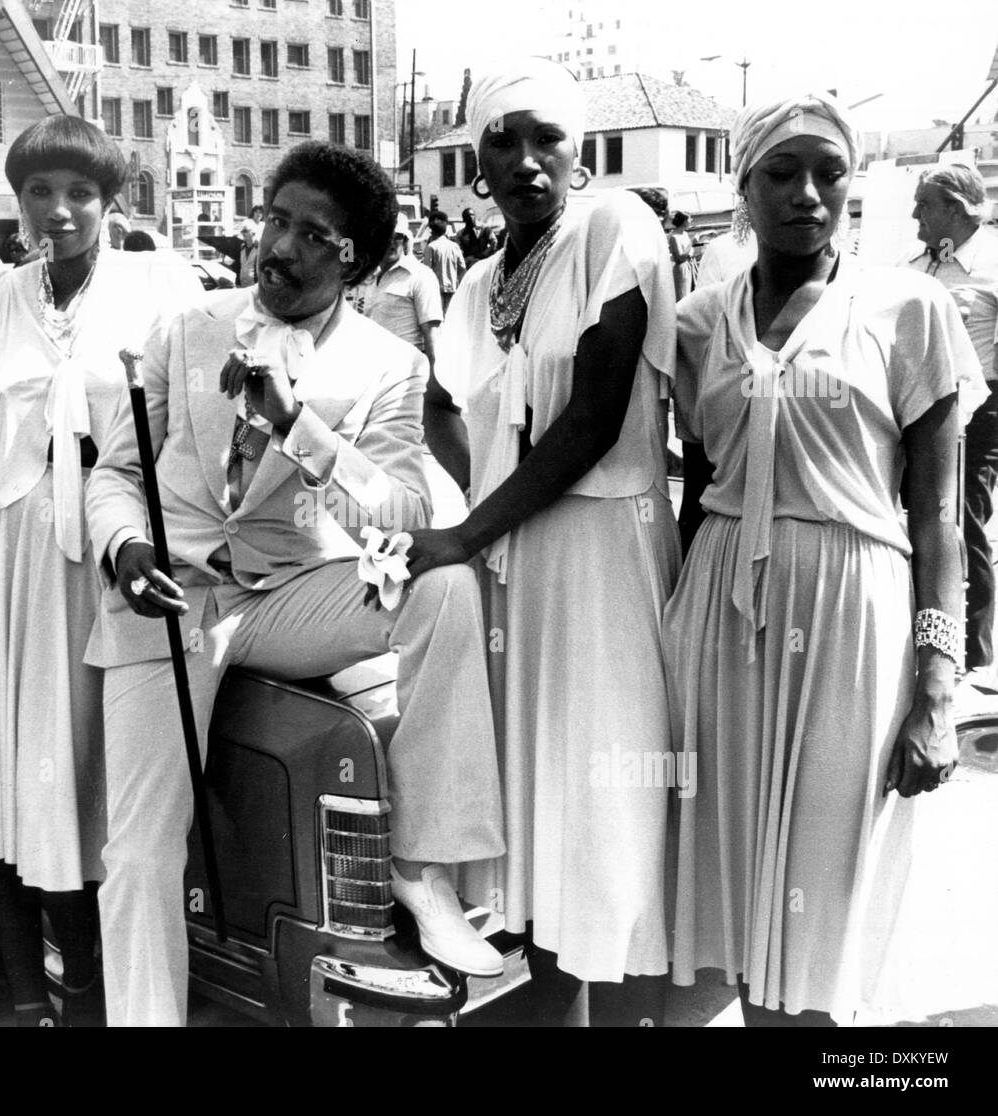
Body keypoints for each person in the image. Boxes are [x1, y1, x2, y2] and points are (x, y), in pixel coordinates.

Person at [85, 140, 507, 1026]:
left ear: (354, 260)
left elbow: (393, 513)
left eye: (312, 235)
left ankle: (423, 865)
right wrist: (127, 549)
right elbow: (116, 473)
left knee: (446, 586)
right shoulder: (188, 326)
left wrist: (296, 424)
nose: (279, 247)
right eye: (275, 220)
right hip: (174, 601)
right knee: (139, 850)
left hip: (286, 598)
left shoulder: (391, 364)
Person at [665, 93, 983, 1025]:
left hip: (854, 621)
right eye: (781, 173)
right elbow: (691, 491)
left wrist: (937, 685)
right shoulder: (694, 323)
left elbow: (938, 519)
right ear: (744, 187)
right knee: (725, 893)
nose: (808, 194)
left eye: (830, 173)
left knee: (825, 899)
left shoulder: (910, 308)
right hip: (721, 619)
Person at [0, 114, 200, 1027]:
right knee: (2, 777)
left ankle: (95, 993)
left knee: (94, 784)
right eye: (39, 194)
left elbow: (183, 437)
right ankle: (32, 997)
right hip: (2, 556)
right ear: (17, 202)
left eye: (79, 193)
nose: (58, 212)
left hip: (109, 554)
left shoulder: (162, 286)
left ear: (111, 200)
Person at [408, 57, 681, 1027]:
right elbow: (442, 409)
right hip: (512, 566)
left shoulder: (615, 230)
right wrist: (479, 494)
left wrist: (465, 529)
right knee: (537, 837)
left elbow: (596, 419)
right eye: (502, 141)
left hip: (604, 561)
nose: (525, 161)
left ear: (576, 151)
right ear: (477, 160)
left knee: (612, 812)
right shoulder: (478, 283)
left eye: (545, 140)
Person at [906, 164, 998, 689]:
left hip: (979, 407)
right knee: (917, 518)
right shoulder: (912, 265)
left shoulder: (991, 263)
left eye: (925, 204)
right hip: (918, 406)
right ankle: (925, 635)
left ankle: (974, 650)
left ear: (958, 210)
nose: (915, 214)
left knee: (962, 518)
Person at [359, 212, 443, 384]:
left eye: (396, 236)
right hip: (370, 371)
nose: (390, 242)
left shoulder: (420, 276)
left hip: (405, 373)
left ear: (405, 241)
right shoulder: (368, 276)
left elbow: (432, 335)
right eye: (384, 236)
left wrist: (435, 384)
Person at [423, 211, 467, 312]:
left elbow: (426, 271)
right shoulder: (454, 246)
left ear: (432, 232)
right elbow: (462, 269)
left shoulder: (431, 247)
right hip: (453, 289)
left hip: (436, 290)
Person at [667, 211, 694, 300]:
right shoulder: (674, 237)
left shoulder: (685, 234)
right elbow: (679, 258)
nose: (691, 221)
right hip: (682, 271)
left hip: (690, 267)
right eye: (689, 219)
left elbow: (689, 252)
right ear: (684, 221)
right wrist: (692, 243)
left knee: (690, 296)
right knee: (683, 297)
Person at [236, 218, 260, 287]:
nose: (243, 233)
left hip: (254, 286)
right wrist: (238, 283)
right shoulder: (241, 248)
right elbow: (238, 266)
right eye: (242, 232)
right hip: (242, 285)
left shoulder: (258, 248)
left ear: (252, 233)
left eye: (246, 231)